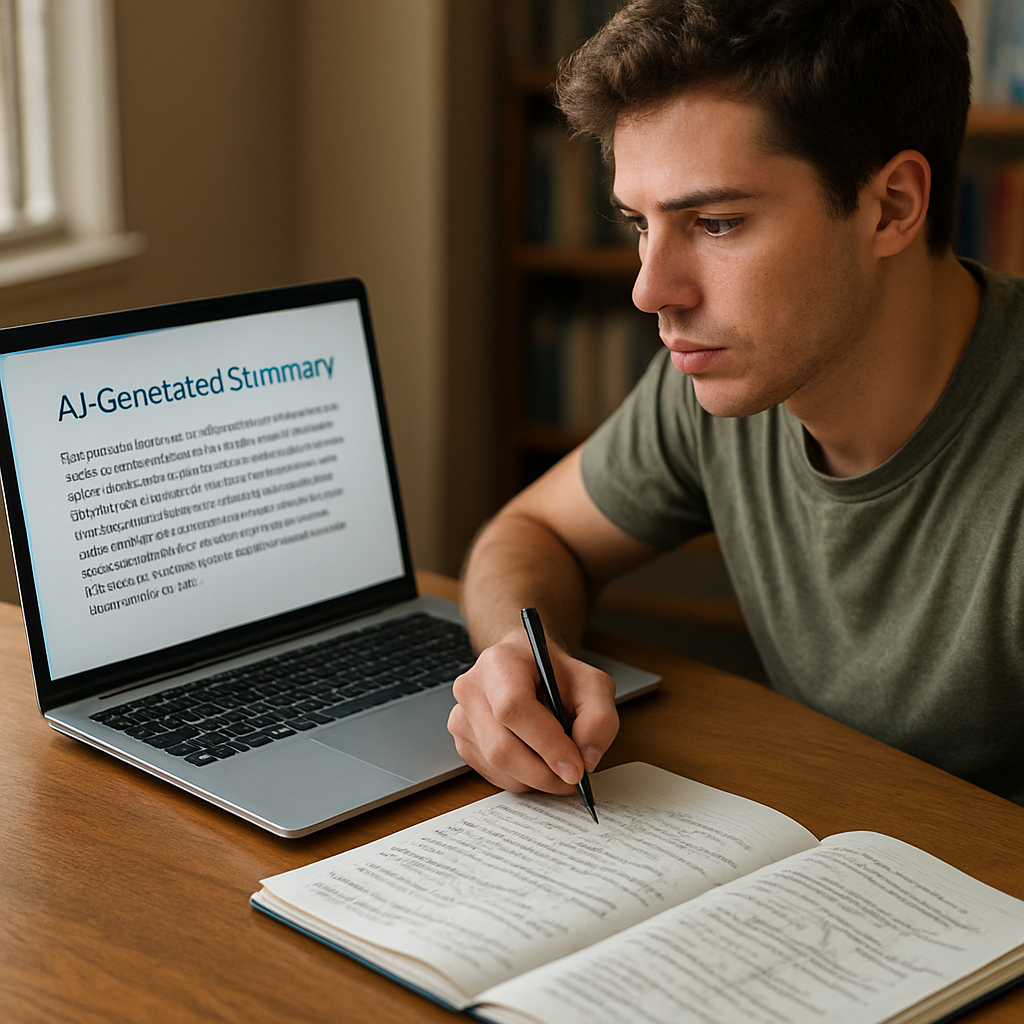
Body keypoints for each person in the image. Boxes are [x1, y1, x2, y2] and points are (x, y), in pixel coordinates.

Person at [449, 0, 1024, 807]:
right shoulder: (728, 373)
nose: (651, 291)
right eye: (638, 225)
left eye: (715, 223)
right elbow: (535, 532)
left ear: (892, 205)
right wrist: (520, 648)